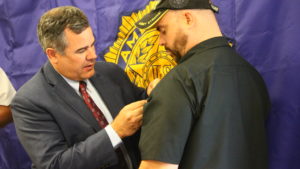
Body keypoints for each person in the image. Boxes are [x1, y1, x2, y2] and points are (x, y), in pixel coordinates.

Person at [11, 6, 151, 169]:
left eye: (92, 45)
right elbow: (55, 164)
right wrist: (115, 132)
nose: (93, 55)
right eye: (81, 50)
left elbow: (144, 105)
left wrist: (154, 92)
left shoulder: (110, 72)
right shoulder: (29, 102)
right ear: (53, 54)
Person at [135, 0, 270, 169]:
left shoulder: (178, 83)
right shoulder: (252, 76)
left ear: (188, 18)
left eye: (163, 30)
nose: (161, 41)